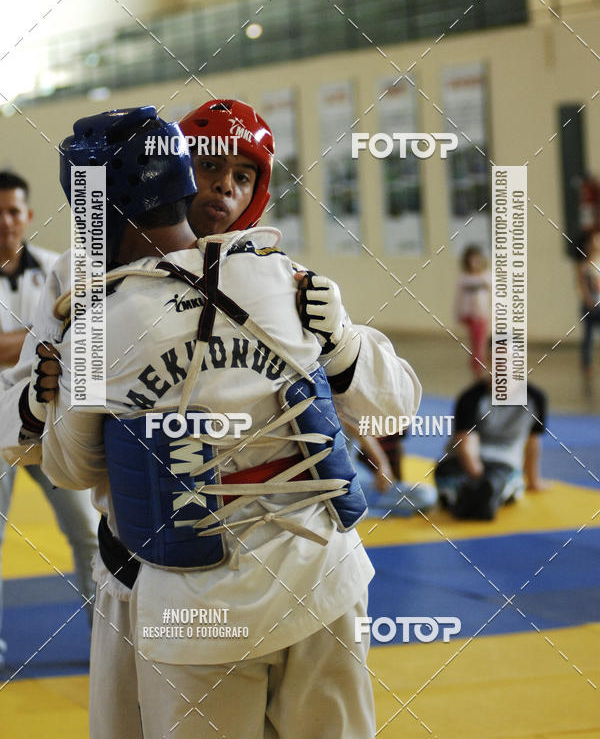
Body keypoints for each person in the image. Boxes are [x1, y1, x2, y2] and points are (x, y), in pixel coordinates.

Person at [9, 101, 421, 737]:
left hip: (196, 599)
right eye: (206, 167)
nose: (222, 187)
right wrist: (33, 404)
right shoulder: (275, 278)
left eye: (242, 175)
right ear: (178, 174)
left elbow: (70, 464)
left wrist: (341, 342)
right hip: (303, 577)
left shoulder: (283, 280)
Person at [0, 171, 97, 672]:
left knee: (88, 527)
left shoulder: (57, 268)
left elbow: (76, 335)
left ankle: (108, 634)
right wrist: (41, 333)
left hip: (50, 418)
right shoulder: (59, 284)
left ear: (28, 216)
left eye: (13, 211)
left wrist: (41, 337)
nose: (6, 222)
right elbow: (54, 336)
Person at [435, 363, 549, 520]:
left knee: (498, 481)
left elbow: (533, 441)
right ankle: (475, 496)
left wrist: (533, 481)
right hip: (461, 464)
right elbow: (466, 446)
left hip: (503, 466)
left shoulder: (535, 398)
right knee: (450, 476)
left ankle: (480, 496)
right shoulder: (471, 397)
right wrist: (479, 478)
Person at [454, 244, 491, 376]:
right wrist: (457, 313)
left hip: (481, 315)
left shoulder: (486, 276)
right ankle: (477, 366)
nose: (475, 263)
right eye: (472, 260)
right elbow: (458, 297)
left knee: (480, 342)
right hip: (469, 315)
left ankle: (479, 365)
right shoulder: (464, 278)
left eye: (477, 260)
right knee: (475, 343)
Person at [575, 227, 600, 394]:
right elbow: (582, 284)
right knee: (588, 336)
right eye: (593, 241)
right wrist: (588, 300)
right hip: (589, 304)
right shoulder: (583, 264)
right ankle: (587, 365)